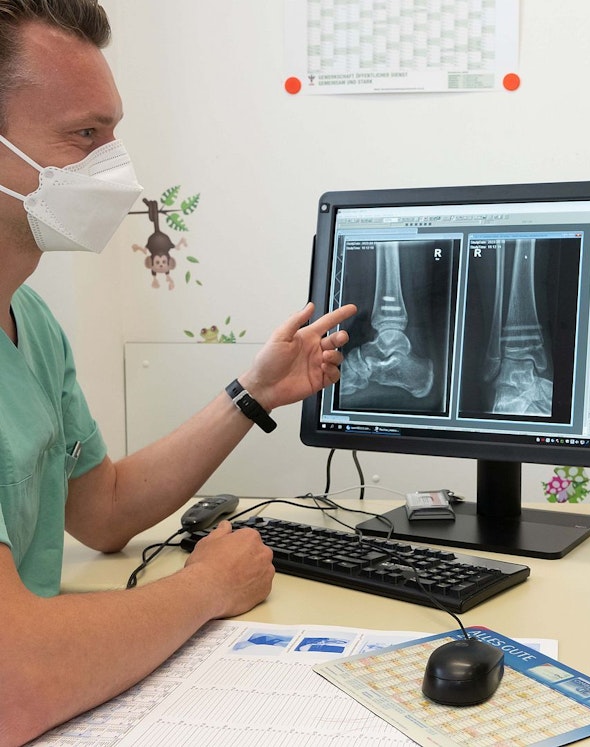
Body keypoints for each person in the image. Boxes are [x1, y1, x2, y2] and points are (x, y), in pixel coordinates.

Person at [0, 2, 356, 743]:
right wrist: (205, 587)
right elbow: (13, 683)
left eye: (113, 135)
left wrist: (254, 392)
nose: (116, 171)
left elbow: (102, 510)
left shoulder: (27, 318)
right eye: (85, 136)